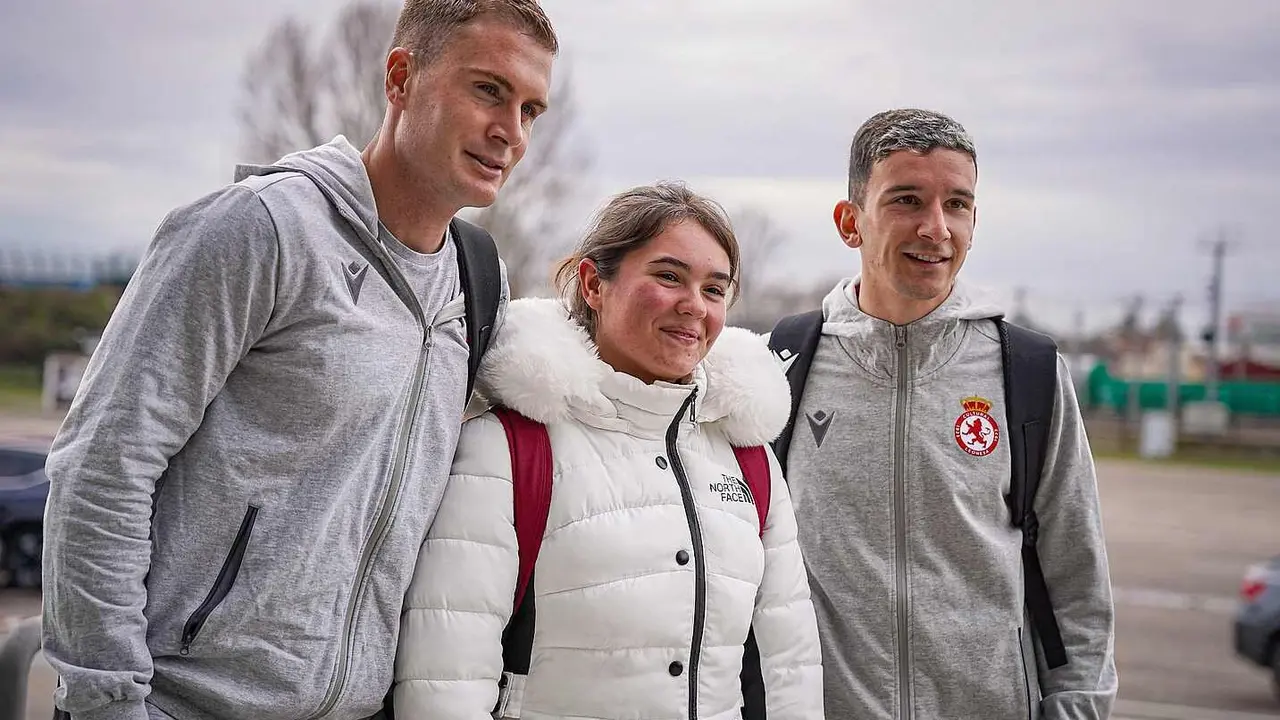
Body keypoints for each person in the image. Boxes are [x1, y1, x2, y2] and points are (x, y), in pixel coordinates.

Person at [40, 2, 557, 718]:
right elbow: (102, 465)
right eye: (489, 91)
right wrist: (107, 701)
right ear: (401, 78)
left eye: (532, 109)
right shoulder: (261, 229)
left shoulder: (480, 281)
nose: (512, 133)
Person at [392, 183, 824, 719]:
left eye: (715, 289)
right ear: (594, 284)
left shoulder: (748, 459)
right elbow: (445, 677)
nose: (693, 305)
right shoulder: (511, 446)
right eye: (668, 276)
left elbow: (791, 668)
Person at [769, 109, 1118, 719]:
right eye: (907, 200)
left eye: (957, 204)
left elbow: (1077, 581)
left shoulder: (1028, 371)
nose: (936, 229)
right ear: (850, 223)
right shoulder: (784, 365)